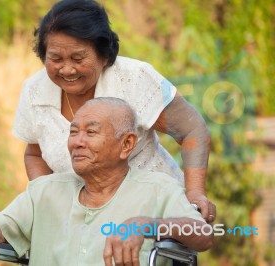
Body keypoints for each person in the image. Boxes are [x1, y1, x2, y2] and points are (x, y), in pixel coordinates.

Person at [13, 0, 216, 222]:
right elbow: (35, 154)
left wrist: (195, 193)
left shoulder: (133, 77)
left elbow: (192, 130)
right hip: (84, 222)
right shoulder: (35, 91)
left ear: (104, 55)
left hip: (155, 216)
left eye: (78, 58)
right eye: (55, 59)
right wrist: (47, 203)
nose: (67, 69)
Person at [0, 98, 213, 266]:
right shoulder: (44, 191)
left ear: (126, 144)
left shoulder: (158, 189)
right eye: (73, 132)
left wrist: (147, 225)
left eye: (91, 132)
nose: (77, 142)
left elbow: (203, 234)